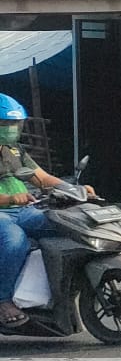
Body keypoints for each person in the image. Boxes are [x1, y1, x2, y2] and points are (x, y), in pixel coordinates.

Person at [0, 93, 93, 328]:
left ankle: (57, 292)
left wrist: (75, 190)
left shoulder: (14, 151)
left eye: (14, 124)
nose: (11, 129)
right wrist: (10, 197)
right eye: (4, 124)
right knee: (15, 241)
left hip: (24, 209)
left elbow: (42, 178)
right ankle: (3, 301)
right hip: (4, 212)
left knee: (68, 226)